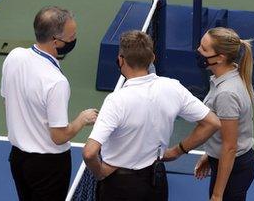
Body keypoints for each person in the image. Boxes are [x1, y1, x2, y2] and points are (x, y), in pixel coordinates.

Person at [83, 30, 221, 201]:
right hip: (156, 181)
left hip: (119, 186)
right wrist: (179, 150)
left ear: (121, 60)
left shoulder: (115, 100)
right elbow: (213, 123)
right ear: (152, 59)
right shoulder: (173, 87)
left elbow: (90, 153)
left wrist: (101, 173)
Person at [1, 6, 98, 200]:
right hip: (48, 167)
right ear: (56, 42)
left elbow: (7, 100)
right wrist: (81, 119)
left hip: (18, 160)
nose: (74, 39)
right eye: (72, 37)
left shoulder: (14, 56)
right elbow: (59, 136)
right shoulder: (56, 82)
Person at [193, 27, 254, 201]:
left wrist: (217, 194)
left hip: (233, 167)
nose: (198, 51)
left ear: (220, 58)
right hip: (228, 163)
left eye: (204, 49)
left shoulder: (226, 94)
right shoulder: (230, 76)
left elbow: (230, 146)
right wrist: (210, 154)